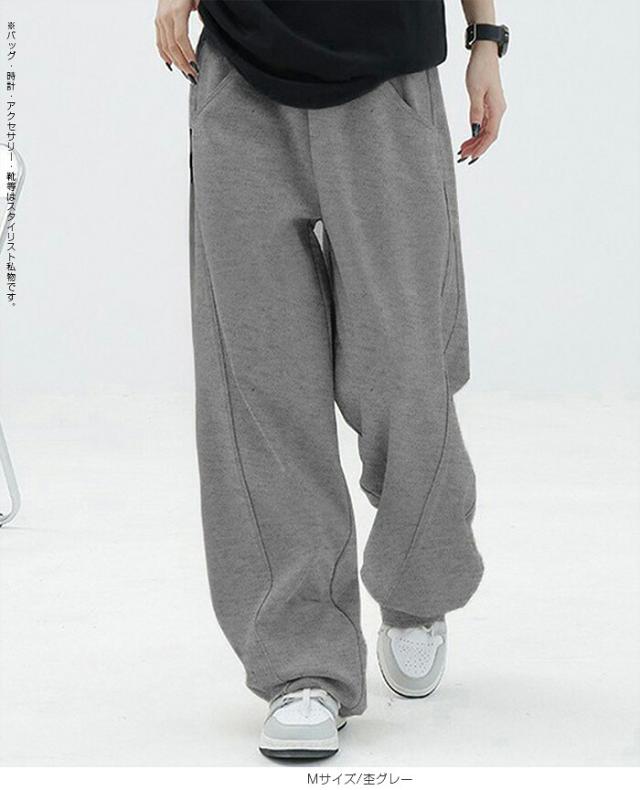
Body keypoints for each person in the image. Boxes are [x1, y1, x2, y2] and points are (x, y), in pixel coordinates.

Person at [155, 0, 507, 761]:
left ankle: (418, 584)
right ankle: (303, 665)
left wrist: (486, 38)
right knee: (261, 383)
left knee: (402, 368)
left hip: (386, 76)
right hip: (240, 72)